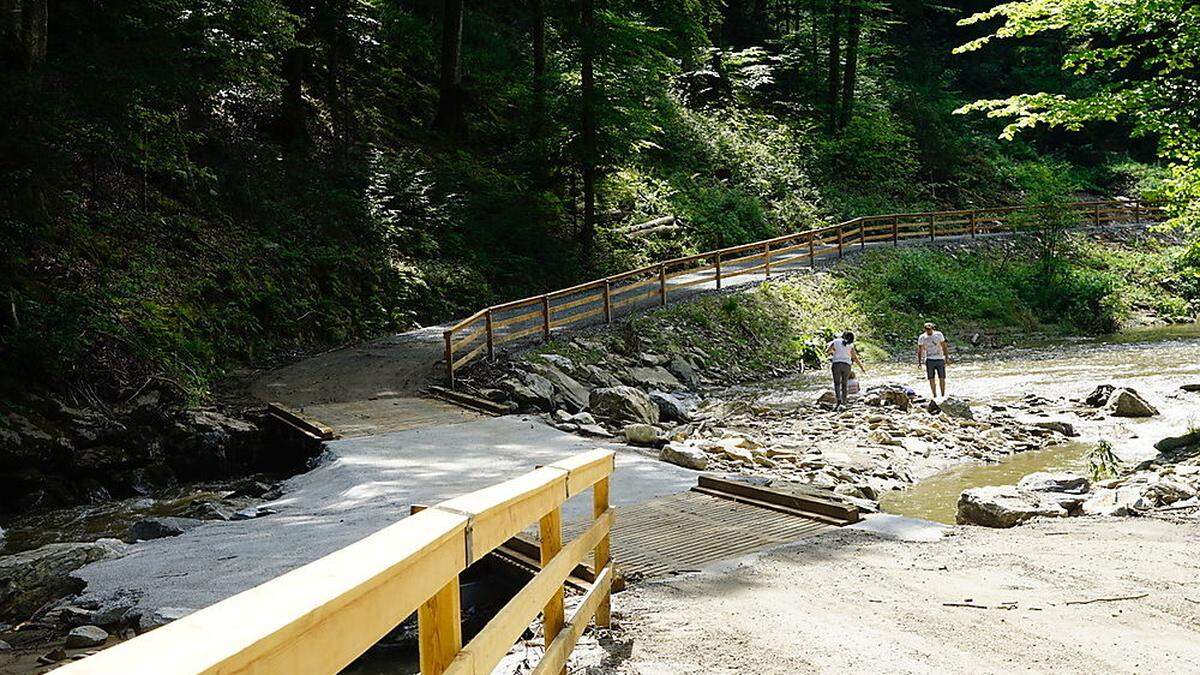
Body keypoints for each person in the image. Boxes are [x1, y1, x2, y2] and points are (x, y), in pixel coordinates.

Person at [826, 330, 866, 408]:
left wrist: (833, 351)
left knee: (837, 383)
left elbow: (827, 351)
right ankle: (844, 401)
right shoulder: (850, 345)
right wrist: (862, 367)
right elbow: (854, 358)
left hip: (836, 364)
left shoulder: (836, 341)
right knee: (844, 384)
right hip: (847, 365)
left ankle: (838, 401)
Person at [916, 321, 949, 398]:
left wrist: (946, 357)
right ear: (924, 329)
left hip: (940, 359)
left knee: (942, 378)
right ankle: (934, 395)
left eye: (930, 329)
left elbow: (944, 346)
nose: (928, 331)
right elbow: (920, 350)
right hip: (929, 359)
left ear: (932, 329)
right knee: (931, 378)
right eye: (927, 329)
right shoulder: (922, 337)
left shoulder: (939, 335)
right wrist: (919, 362)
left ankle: (943, 395)